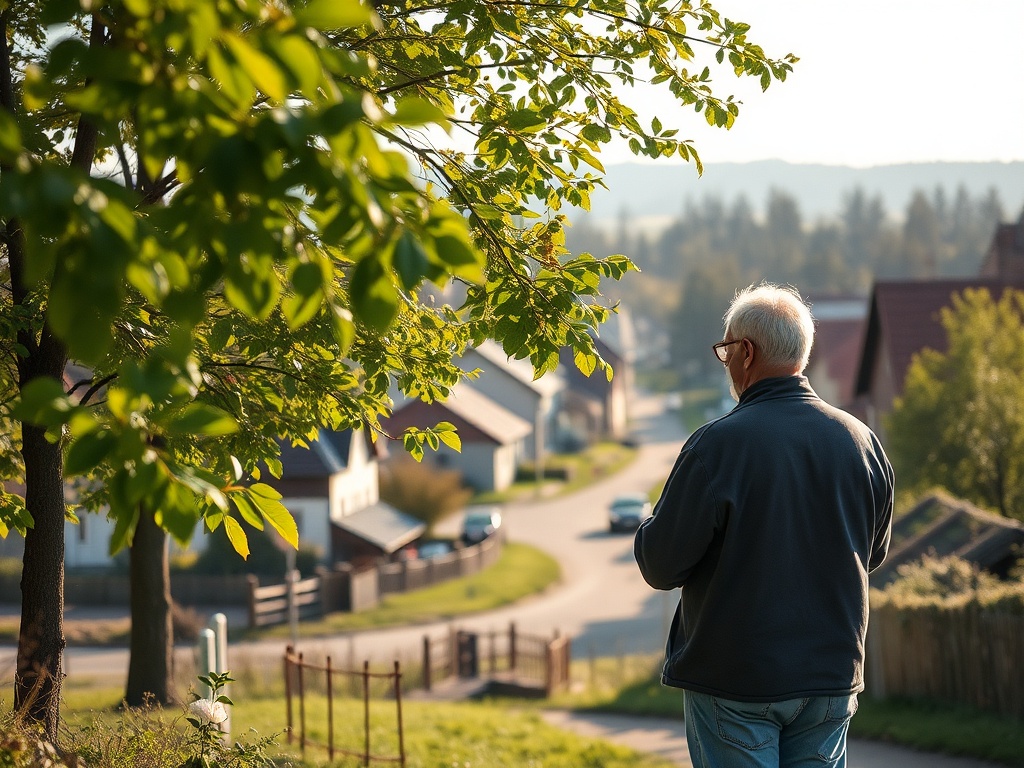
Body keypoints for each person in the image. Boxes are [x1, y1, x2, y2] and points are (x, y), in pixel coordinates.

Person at [634, 283, 894, 768]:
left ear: (746, 353)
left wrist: (653, 521)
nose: (726, 362)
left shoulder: (717, 447)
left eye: (726, 351)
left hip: (737, 681)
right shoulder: (863, 443)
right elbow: (872, 553)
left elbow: (661, 565)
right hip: (831, 678)